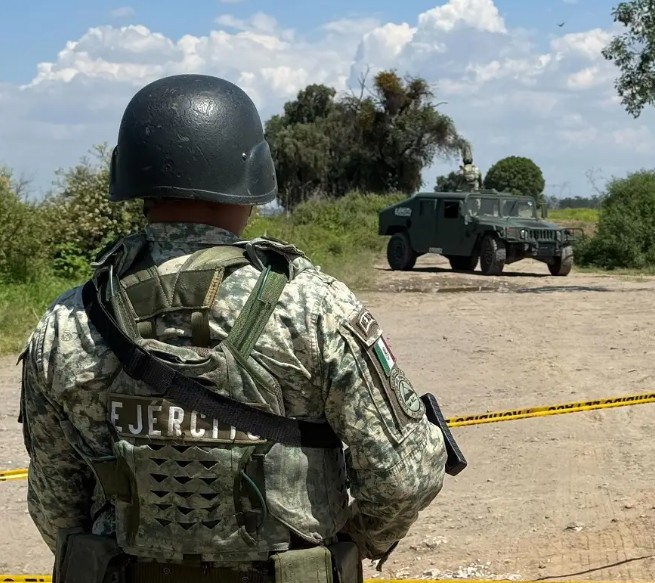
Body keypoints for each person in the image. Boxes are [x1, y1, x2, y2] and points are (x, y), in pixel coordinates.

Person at [18, 73, 449, 582]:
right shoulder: (314, 307)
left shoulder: (70, 320)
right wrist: (347, 547)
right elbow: (406, 475)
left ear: (131, 175)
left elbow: (56, 505)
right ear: (254, 175)